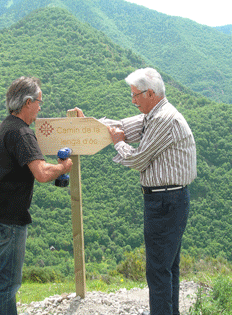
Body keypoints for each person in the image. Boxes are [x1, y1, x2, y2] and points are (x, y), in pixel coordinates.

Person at [70, 67, 196, 315]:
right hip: (171, 199)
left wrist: (119, 144)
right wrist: (89, 124)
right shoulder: (154, 115)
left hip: (165, 201)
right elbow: (122, 126)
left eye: (136, 95)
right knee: (168, 267)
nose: (133, 100)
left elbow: (138, 159)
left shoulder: (163, 120)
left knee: (159, 270)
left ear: (150, 93)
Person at [0, 76, 73, 315]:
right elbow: (42, 173)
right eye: (39, 102)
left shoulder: (6, 126)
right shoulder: (22, 133)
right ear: (28, 102)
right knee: (8, 282)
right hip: (10, 218)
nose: (41, 108)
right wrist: (63, 168)